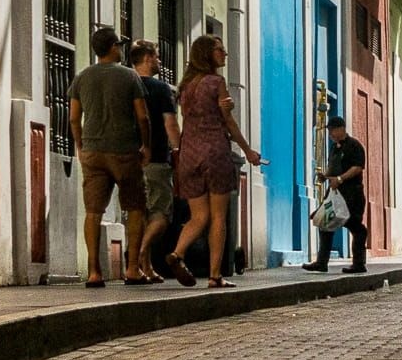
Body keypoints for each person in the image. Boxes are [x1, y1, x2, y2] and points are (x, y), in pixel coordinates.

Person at [168, 35, 261, 289]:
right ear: (207, 54)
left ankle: (177, 253)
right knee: (218, 216)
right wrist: (248, 151)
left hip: (189, 155)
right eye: (220, 49)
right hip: (215, 153)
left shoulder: (185, 87)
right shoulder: (216, 82)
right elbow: (229, 123)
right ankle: (215, 275)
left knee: (199, 216)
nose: (225, 53)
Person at [68, 26, 151, 288]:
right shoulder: (130, 77)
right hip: (124, 151)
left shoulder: (82, 78)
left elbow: (73, 117)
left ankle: (94, 272)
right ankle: (133, 269)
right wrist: (146, 145)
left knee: (93, 212)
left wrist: (81, 145)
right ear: (113, 47)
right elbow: (142, 116)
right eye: (119, 45)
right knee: (135, 209)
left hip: (93, 152)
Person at [129, 41, 179, 282]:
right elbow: (170, 124)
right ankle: (139, 252)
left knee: (141, 214)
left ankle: (146, 267)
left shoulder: (126, 86)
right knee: (161, 214)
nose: (159, 61)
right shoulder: (161, 89)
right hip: (156, 158)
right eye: (157, 57)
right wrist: (178, 149)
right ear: (148, 58)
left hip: (129, 160)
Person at [304, 115, 368, 275]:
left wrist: (340, 179)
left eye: (333, 130)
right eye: (330, 131)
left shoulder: (354, 146)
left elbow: (357, 167)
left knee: (355, 227)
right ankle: (321, 262)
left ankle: (359, 264)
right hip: (334, 194)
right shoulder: (334, 148)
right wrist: (326, 176)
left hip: (352, 194)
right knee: (325, 224)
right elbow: (334, 168)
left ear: (341, 128)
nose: (331, 134)